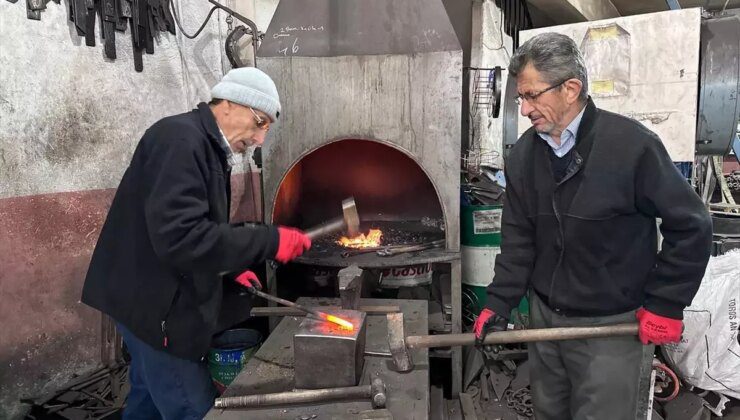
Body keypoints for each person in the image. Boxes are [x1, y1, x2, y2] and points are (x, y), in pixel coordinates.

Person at [473, 33, 712, 419]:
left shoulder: (632, 147)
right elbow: (518, 237)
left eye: (532, 95)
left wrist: (666, 302)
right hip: (546, 322)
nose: (525, 108)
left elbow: (692, 224)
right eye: (521, 98)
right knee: (550, 413)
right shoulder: (524, 157)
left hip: (611, 327)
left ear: (571, 89)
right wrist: (500, 300)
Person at [81, 67, 311, 419]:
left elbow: (199, 226)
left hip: (148, 298)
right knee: (193, 408)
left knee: (147, 397)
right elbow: (181, 238)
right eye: (259, 122)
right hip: (154, 307)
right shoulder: (178, 140)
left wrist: (230, 270)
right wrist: (268, 240)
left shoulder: (205, 145)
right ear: (231, 104)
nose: (260, 139)